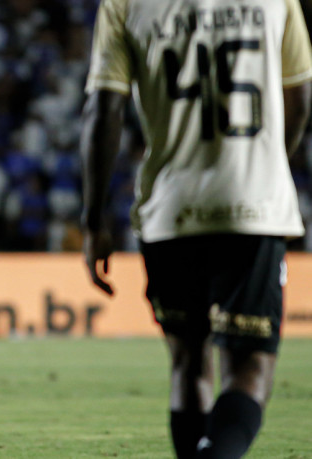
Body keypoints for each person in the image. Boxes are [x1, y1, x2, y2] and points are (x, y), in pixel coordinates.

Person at [80, 1, 312, 458]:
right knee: (250, 369)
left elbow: (103, 108)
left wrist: (92, 221)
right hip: (252, 206)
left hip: (170, 211)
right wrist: (266, 166)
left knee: (189, 365)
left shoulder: (124, 4)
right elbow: (301, 96)